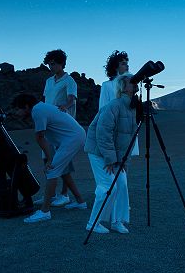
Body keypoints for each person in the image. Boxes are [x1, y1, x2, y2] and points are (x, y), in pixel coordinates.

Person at [12, 93, 88, 223]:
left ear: (26, 106)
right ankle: (80, 201)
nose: (16, 113)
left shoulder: (37, 111)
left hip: (72, 139)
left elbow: (40, 137)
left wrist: (49, 159)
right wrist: (50, 157)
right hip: (71, 138)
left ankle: (45, 211)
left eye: (17, 109)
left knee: (52, 170)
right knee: (62, 171)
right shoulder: (41, 108)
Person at [84, 73, 139, 234]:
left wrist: (122, 161)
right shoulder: (114, 106)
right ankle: (93, 223)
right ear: (123, 87)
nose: (135, 84)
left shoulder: (131, 107)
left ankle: (117, 221)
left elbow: (126, 139)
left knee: (122, 184)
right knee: (108, 186)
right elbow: (103, 133)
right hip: (98, 152)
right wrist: (110, 159)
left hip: (113, 155)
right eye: (131, 82)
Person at [99, 51, 139, 222]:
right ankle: (114, 197)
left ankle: (123, 199)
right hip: (114, 128)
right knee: (114, 164)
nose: (126, 65)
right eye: (122, 63)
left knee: (125, 162)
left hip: (128, 129)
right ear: (115, 66)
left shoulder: (131, 85)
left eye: (126, 62)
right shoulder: (107, 85)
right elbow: (103, 108)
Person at [41, 49, 77, 206]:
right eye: (49, 63)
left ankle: (65, 194)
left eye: (53, 63)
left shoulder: (69, 81)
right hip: (47, 124)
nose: (51, 66)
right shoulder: (49, 81)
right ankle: (51, 194)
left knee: (61, 160)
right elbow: (46, 99)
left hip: (62, 125)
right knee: (47, 157)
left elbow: (71, 99)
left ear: (61, 63)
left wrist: (65, 106)